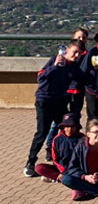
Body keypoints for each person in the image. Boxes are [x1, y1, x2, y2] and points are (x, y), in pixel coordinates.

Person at [24, 41, 83, 177]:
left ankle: (67, 160)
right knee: (42, 133)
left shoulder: (74, 67)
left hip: (60, 101)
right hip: (44, 101)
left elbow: (85, 78)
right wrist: (54, 67)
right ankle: (30, 162)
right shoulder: (54, 61)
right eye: (74, 52)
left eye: (79, 53)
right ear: (66, 51)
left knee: (67, 129)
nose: (76, 55)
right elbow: (40, 77)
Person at [60, 119, 98, 200]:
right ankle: (97, 191)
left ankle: (86, 191)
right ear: (88, 134)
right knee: (66, 179)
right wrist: (85, 177)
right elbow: (72, 168)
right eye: (95, 132)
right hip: (84, 179)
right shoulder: (80, 147)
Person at [34, 113, 83, 183]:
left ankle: (63, 179)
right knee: (39, 168)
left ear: (76, 127)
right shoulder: (57, 139)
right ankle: (61, 178)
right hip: (62, 169)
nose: (69, 129)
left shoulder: (82, 138)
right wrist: (63, 171)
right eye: (67, 126)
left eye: (72, 127)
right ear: (63, 127)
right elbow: (55, 159)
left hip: (77, 169)